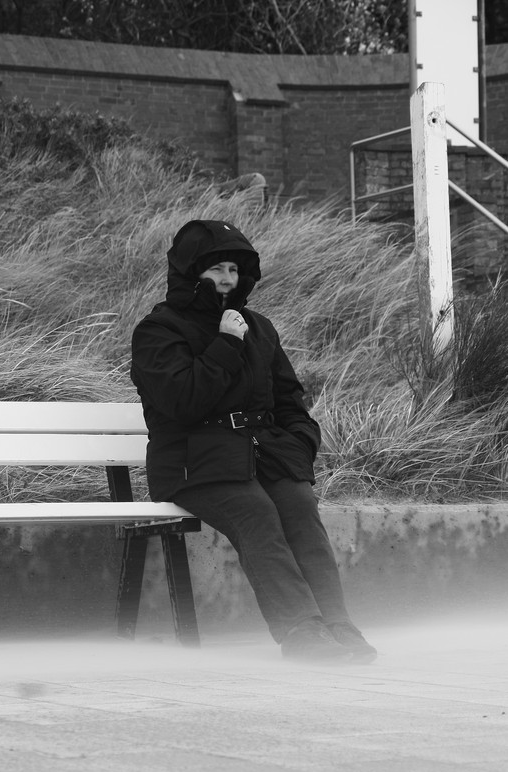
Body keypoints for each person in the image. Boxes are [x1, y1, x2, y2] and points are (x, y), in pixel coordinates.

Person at [130, 219, 376, 663]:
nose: (227, 279)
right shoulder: (159, 329)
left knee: (299, 508)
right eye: (215, 269)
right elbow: (182, 402)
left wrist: (298, 446)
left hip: (261, 455)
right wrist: (225, 343)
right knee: (257, 513)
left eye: (233, 269)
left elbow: (290, 400)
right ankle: (301, 630)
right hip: (192, 463)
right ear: (190, 272)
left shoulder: (258, 327)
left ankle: (337, 624)